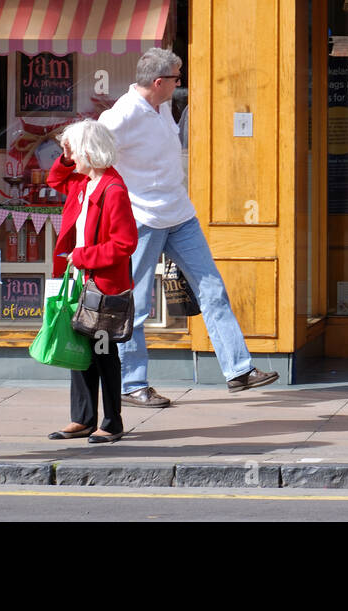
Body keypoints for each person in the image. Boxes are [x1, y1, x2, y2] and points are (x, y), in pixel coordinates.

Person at [100, 48, 278, 405]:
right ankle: (132, 384)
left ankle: (238, 370)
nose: (181, 84)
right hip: (143, 219)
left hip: (180, 215)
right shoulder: (122, 114)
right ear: (159, 82)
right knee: (135, 302)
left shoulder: (163, 106)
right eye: (177, 79)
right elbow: (84, 147)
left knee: (212, 288)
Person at [46, 120, 139, 444]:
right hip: (81, 282)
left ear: (88, 150)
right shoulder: (83, 182)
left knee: (103, 352)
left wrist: (84, 256)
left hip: (103, 286)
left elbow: (125, 243)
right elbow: (54, 177)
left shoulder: (113, 189)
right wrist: (67, 156)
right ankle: (83, 419)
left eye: (72, 149)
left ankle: (112, 421)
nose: (68, 155)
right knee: (80, 350)